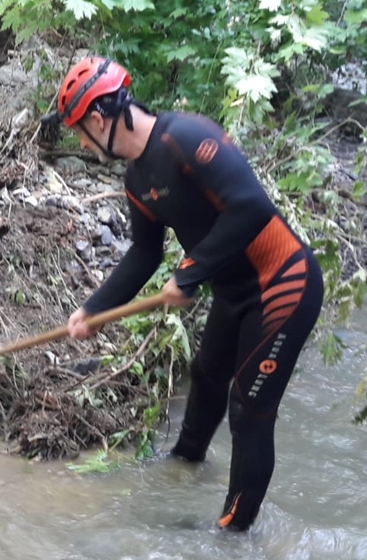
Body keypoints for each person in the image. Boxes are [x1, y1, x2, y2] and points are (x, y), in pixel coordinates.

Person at [51, 57, 324, 532]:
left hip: (284, 283)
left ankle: (233, 536)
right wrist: (93, 311)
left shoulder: (187, 138)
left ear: (99, 119)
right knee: (206, 372)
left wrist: (190, 273)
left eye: (78, 130)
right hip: (234, 291)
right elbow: (143, 253)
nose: (80, 142)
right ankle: (184, 464)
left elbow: (251, 208)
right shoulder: (136, 179)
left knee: (249, 408)